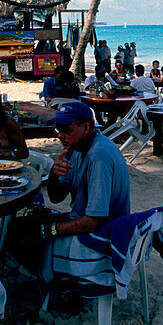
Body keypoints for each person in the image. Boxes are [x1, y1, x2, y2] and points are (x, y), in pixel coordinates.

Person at [37, 102, 130, 266]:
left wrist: (53, 229)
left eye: (66, 130)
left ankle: (54, 286)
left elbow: (94, 221)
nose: (60, 136)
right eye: (59, 130)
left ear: (86, 128)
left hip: (104, 235)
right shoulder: (75, 150)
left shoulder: (98, 155)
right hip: (87, 223)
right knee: (26, 223)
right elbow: (56, 197)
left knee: (29, 237)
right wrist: (52, 175)